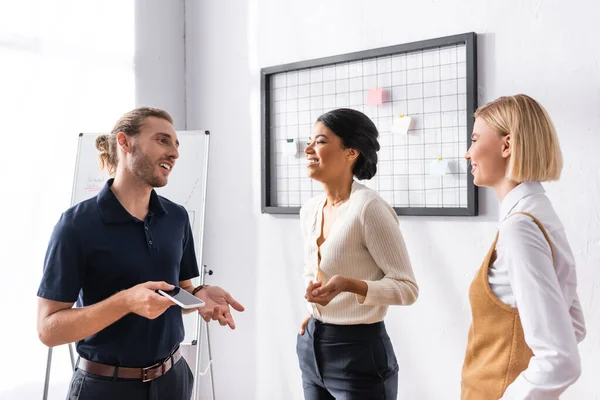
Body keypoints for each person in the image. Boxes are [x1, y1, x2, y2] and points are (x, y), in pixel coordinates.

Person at [36, 107, 244, 400]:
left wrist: (200, 296)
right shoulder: (75, 225)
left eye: (176, 144)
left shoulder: (176, 217)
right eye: (162, 140)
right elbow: (48, 330)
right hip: (104, 388)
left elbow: (179, 294)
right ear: (124, 142)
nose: (174, 153)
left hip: (174, 381)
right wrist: (124, 302)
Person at [461, 94, 586, 399]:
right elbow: (574, 326)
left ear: (507, 145)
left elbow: (560, 359)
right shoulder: (538, 214)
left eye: (476, 139)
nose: (468, 153)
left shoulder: (520, 228)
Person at [296, 108, 419, 399]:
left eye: (321, 141)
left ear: (351, 152)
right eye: (310, 140)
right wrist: (315, 311)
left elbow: (407, 289)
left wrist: (349, 285)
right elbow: (312, 271)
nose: (309, 148)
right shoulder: (310, 210)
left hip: (360, 354)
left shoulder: (369, 208)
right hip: (312, 344)